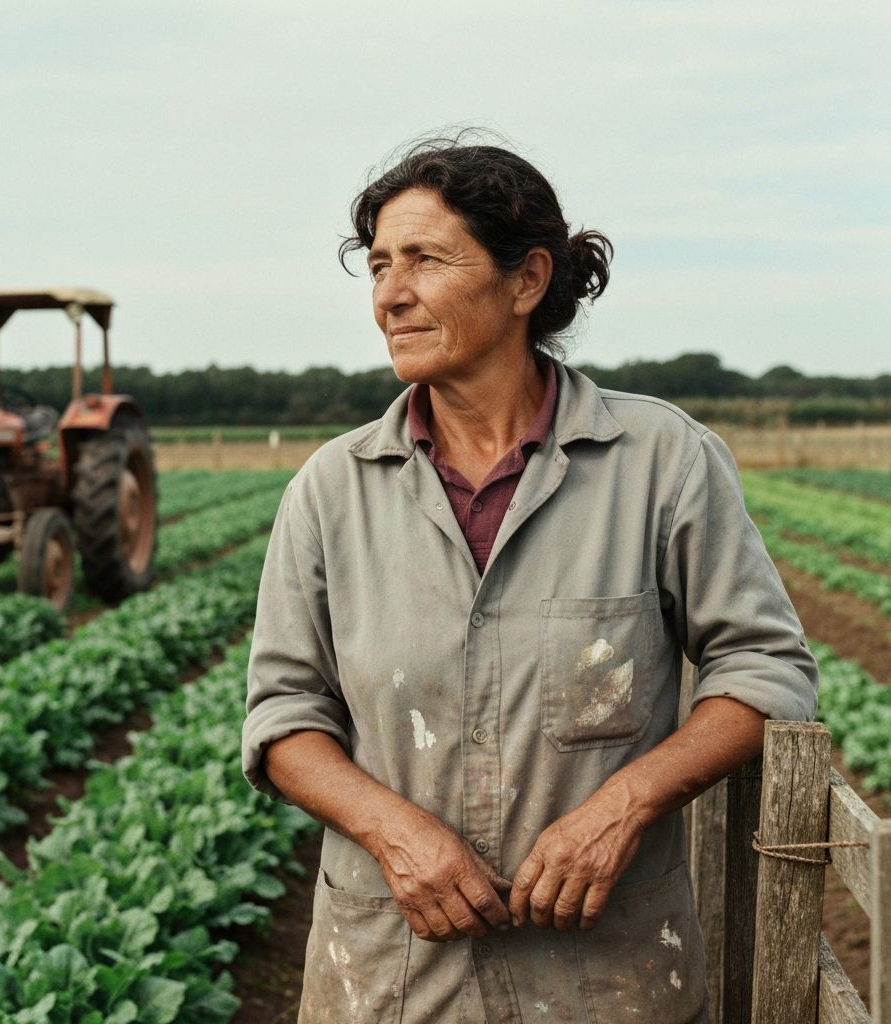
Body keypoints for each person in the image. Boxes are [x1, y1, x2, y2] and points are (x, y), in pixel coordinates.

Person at [241, 136, 818, 1024]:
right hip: (391, 980)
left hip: (605, 981)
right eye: (380, 266)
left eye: (426, 260)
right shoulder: (330, 489)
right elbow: (284, 718)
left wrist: (626, 804)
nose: (391, 295)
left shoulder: (661, 463)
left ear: (525, 281)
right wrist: (396, 833)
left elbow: (766, 672)